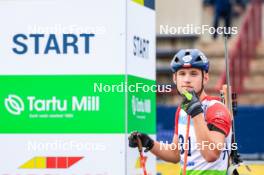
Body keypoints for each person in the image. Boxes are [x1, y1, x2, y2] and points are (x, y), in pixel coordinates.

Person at [129, 49, 232, 175]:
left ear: (205, 78)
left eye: (193, 74)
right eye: (182, 74)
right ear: (174, 78)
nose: (187, 80)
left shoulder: (216, 108)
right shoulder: (181, 110)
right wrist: (149, 143)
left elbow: (211, 154)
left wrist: (196, 113)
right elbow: (175, 154)